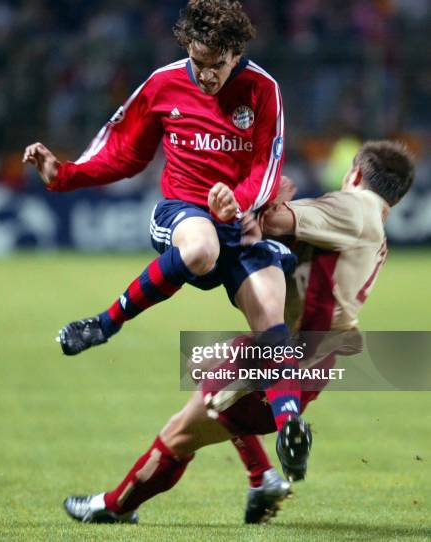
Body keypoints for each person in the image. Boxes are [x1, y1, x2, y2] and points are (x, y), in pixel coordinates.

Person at [24, 0, 309, 477]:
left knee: (271, 318)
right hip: (186, 211)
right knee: (200, 249)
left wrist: (238, 203)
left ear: (236, 53)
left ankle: (290, 428)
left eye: (216, 65)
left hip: (240, 223)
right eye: (198, 63)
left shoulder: (263, 90)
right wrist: (64, 175)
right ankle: (104, 323)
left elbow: (268, 165)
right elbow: (124, 152)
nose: (205, 76)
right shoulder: (163, 83)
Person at [62, 140, 415, 525]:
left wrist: (256, 201)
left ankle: (115, 506)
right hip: (307, 354)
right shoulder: (374, 229)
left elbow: (273, 222)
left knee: (181, 432)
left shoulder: (354, 207)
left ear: (356, 174)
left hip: (290, 355)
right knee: (207, 371)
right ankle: (262, 474)